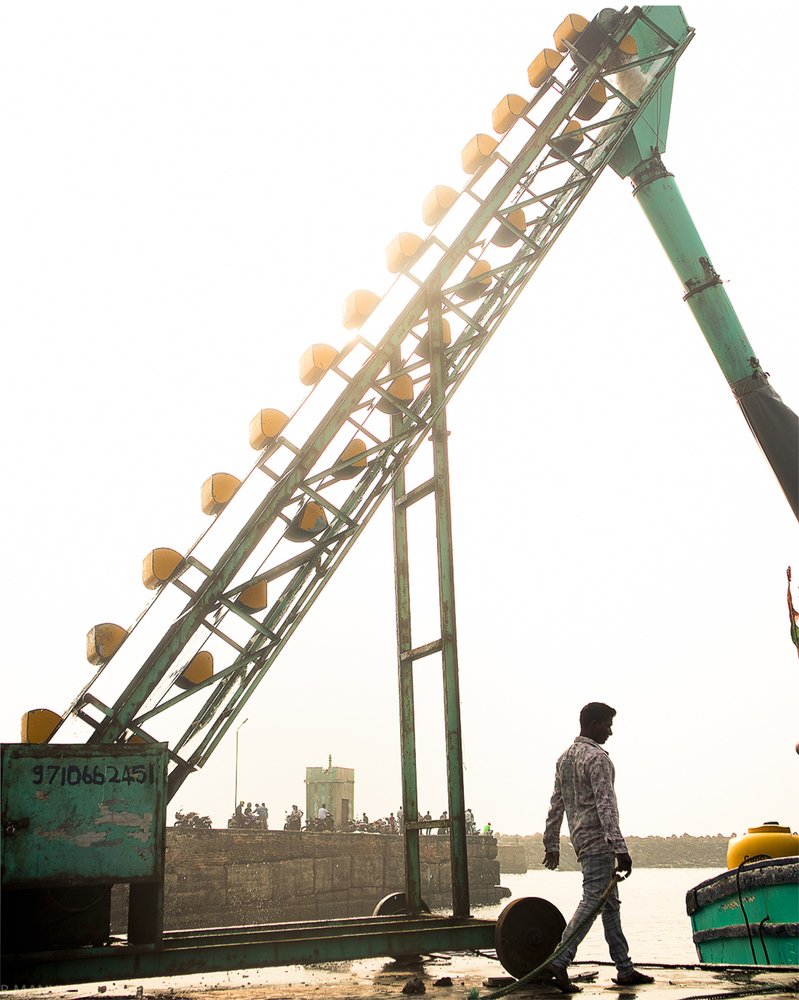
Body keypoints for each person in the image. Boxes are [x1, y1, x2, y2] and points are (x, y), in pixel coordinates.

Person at [543, 702, 654, 992]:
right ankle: (560, 958)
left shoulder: (564, 758)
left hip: (580, 840)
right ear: (593, 724)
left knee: (610, 904)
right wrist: (620, 847)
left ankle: (624, 968)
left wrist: (551, 842)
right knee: (594, 899)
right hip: (599, 841)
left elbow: (557, 804)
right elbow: (606, 804)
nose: (611, 731)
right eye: (607, 724)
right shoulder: (597, 759)